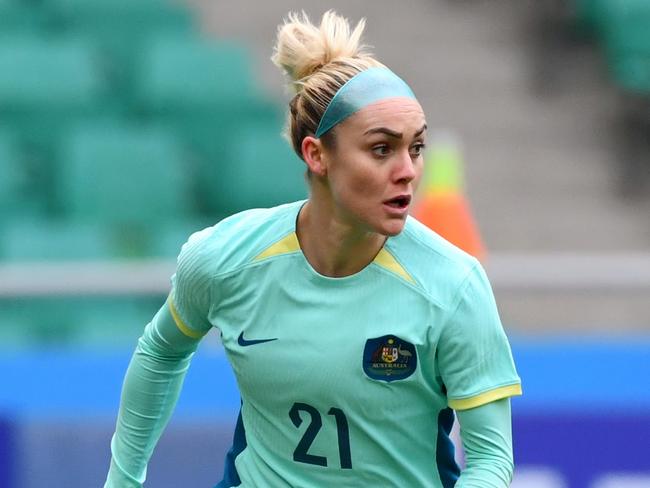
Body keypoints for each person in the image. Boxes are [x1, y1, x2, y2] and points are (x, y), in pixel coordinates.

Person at [105, 10, 522, 488]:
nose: (407, 169)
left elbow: (491, 461)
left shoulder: (453, 285)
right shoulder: (226, 259)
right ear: (316, 154)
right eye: (382, 149)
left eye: (416, 148)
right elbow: (160, 351)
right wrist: (122, 480)